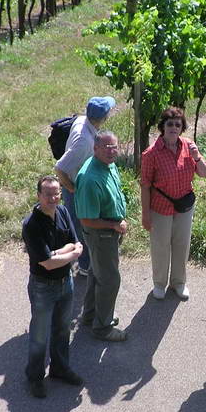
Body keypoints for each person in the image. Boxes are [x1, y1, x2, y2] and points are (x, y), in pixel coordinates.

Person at [21, 175, 85, 398]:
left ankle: (59, 369)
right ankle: (35, 377)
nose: (53, 198)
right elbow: (47, 263)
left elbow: (76, 244)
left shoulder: (64, 212)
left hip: (65, 282)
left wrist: (60, 252)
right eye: (47, 194)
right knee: (39, 336)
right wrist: (67, 252)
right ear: (39, 196)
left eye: (56, 193)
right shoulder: (31, 225)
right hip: (43, 287)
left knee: (62, 329)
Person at [140, 107, 206, 301]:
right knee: (160, 246)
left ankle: (179, 283)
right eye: (169, 124)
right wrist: (145, 214)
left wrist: (197, 157)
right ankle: (159, 283)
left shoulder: (189, 146)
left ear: (182, 127)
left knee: (182, 244)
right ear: (163, 126)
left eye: (177, 124)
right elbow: (145, 186)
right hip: (160, 208)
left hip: (184, 207)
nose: (173, 127)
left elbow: (204, 173)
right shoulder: (151, 154)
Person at [75, 132, 128, 342]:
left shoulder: (108, 163)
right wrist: (114, 225)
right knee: (110, 279)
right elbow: (87, 219)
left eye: (114, 146)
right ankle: (103, 327)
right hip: (102, 234)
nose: (111, 151)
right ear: (95, 148)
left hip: (109, 231)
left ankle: (90, 316)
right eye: (105, 147)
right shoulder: (90, 178)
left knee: (98, 274)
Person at [55, 96, 116, 276]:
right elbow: (59, 168)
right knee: (81, 226)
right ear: (104, 118)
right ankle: (84, 266)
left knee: (83, 224)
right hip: (75, 188)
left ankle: (86, 260)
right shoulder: (84, 142)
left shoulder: (83, 120)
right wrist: (72, 188)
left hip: (80, 184)